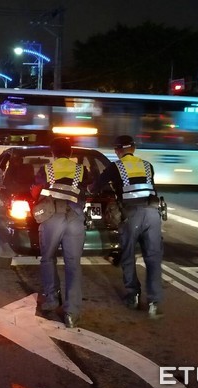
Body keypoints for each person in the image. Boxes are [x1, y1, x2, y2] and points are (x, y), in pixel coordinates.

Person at [88, 135, 164, 318]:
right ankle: (154, 301)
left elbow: (94, 187)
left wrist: (89, 188)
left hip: (132, 215)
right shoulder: (147, 165)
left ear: (118, 150)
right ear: (134, 149)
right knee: (153, 258)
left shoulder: (115, 167)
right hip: (153, 214)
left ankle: (133, 295)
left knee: (128, 255)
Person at [32, 137, 91, 328]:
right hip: (75, 217)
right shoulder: (82, 170)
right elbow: (88, 190)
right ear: (71, 153)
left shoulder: (46, 169)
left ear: (52, 153)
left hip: (53, 218)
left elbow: (36, 191)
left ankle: (51, 299)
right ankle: (72, 313)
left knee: (48, 258)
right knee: (73, 265)